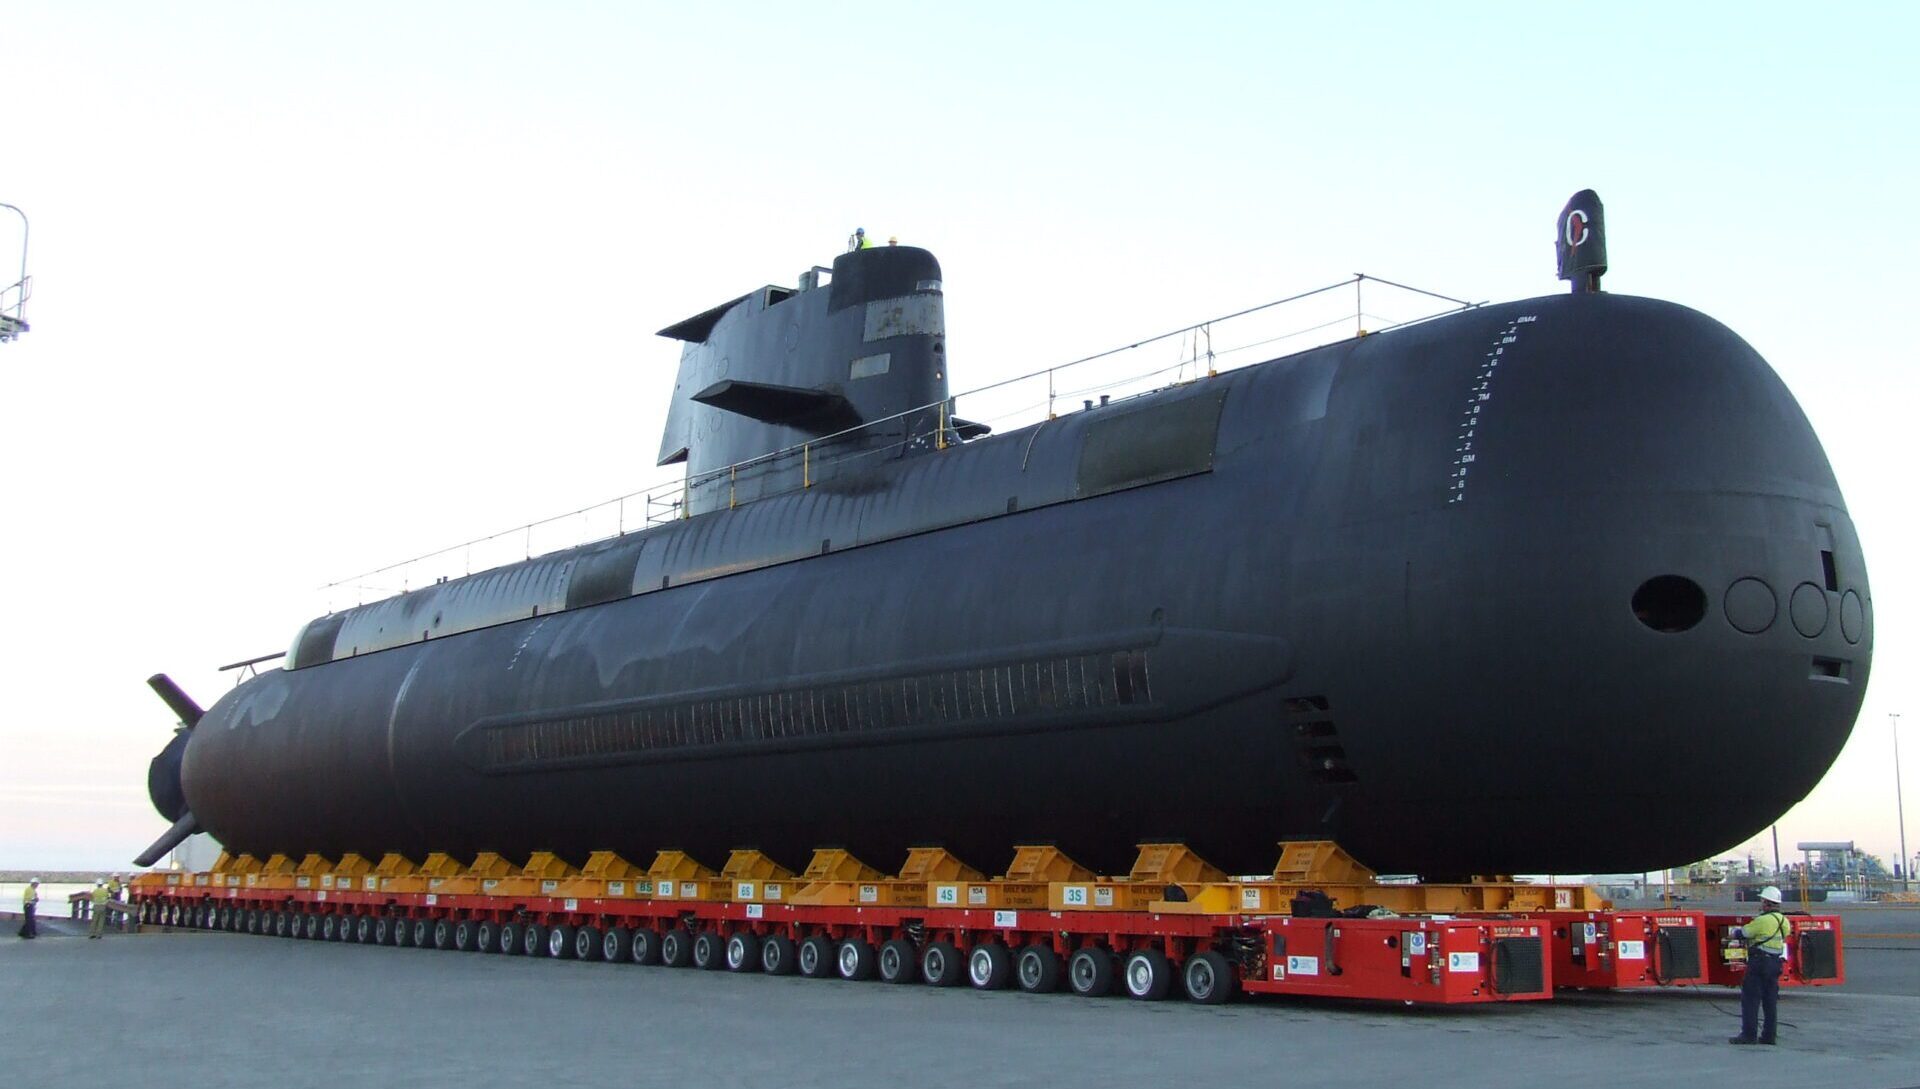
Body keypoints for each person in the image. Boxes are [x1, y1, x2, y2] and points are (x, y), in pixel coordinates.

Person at [1729, 885, 1792, 1045]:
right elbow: (1786, 934)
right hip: (1775, 963)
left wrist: (1734, 933)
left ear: (1767, 903)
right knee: (1770, 1001)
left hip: (1759, 962)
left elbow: (1743, 933)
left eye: (1763, 901)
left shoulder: (1762, 920)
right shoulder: (1784, 921)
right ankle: (1769, 1036)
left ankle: (1749, 1035)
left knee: (1750, 999)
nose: (1761, 903)